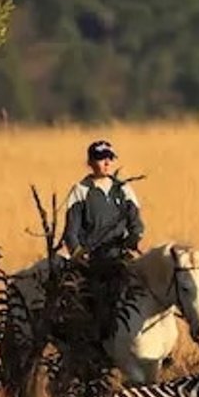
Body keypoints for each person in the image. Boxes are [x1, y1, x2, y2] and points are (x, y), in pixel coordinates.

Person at [58, 138, 146, 347]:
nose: (106, 163)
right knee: (98, 298)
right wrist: (80, 254)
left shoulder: (123, 189)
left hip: (120, 255)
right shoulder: (80, 190)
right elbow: (71, 232)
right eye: (100, 158)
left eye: (109, 158)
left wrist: (133, 238)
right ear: (90, 162)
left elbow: (136, 223)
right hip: (93, 259)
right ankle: (99, 343)